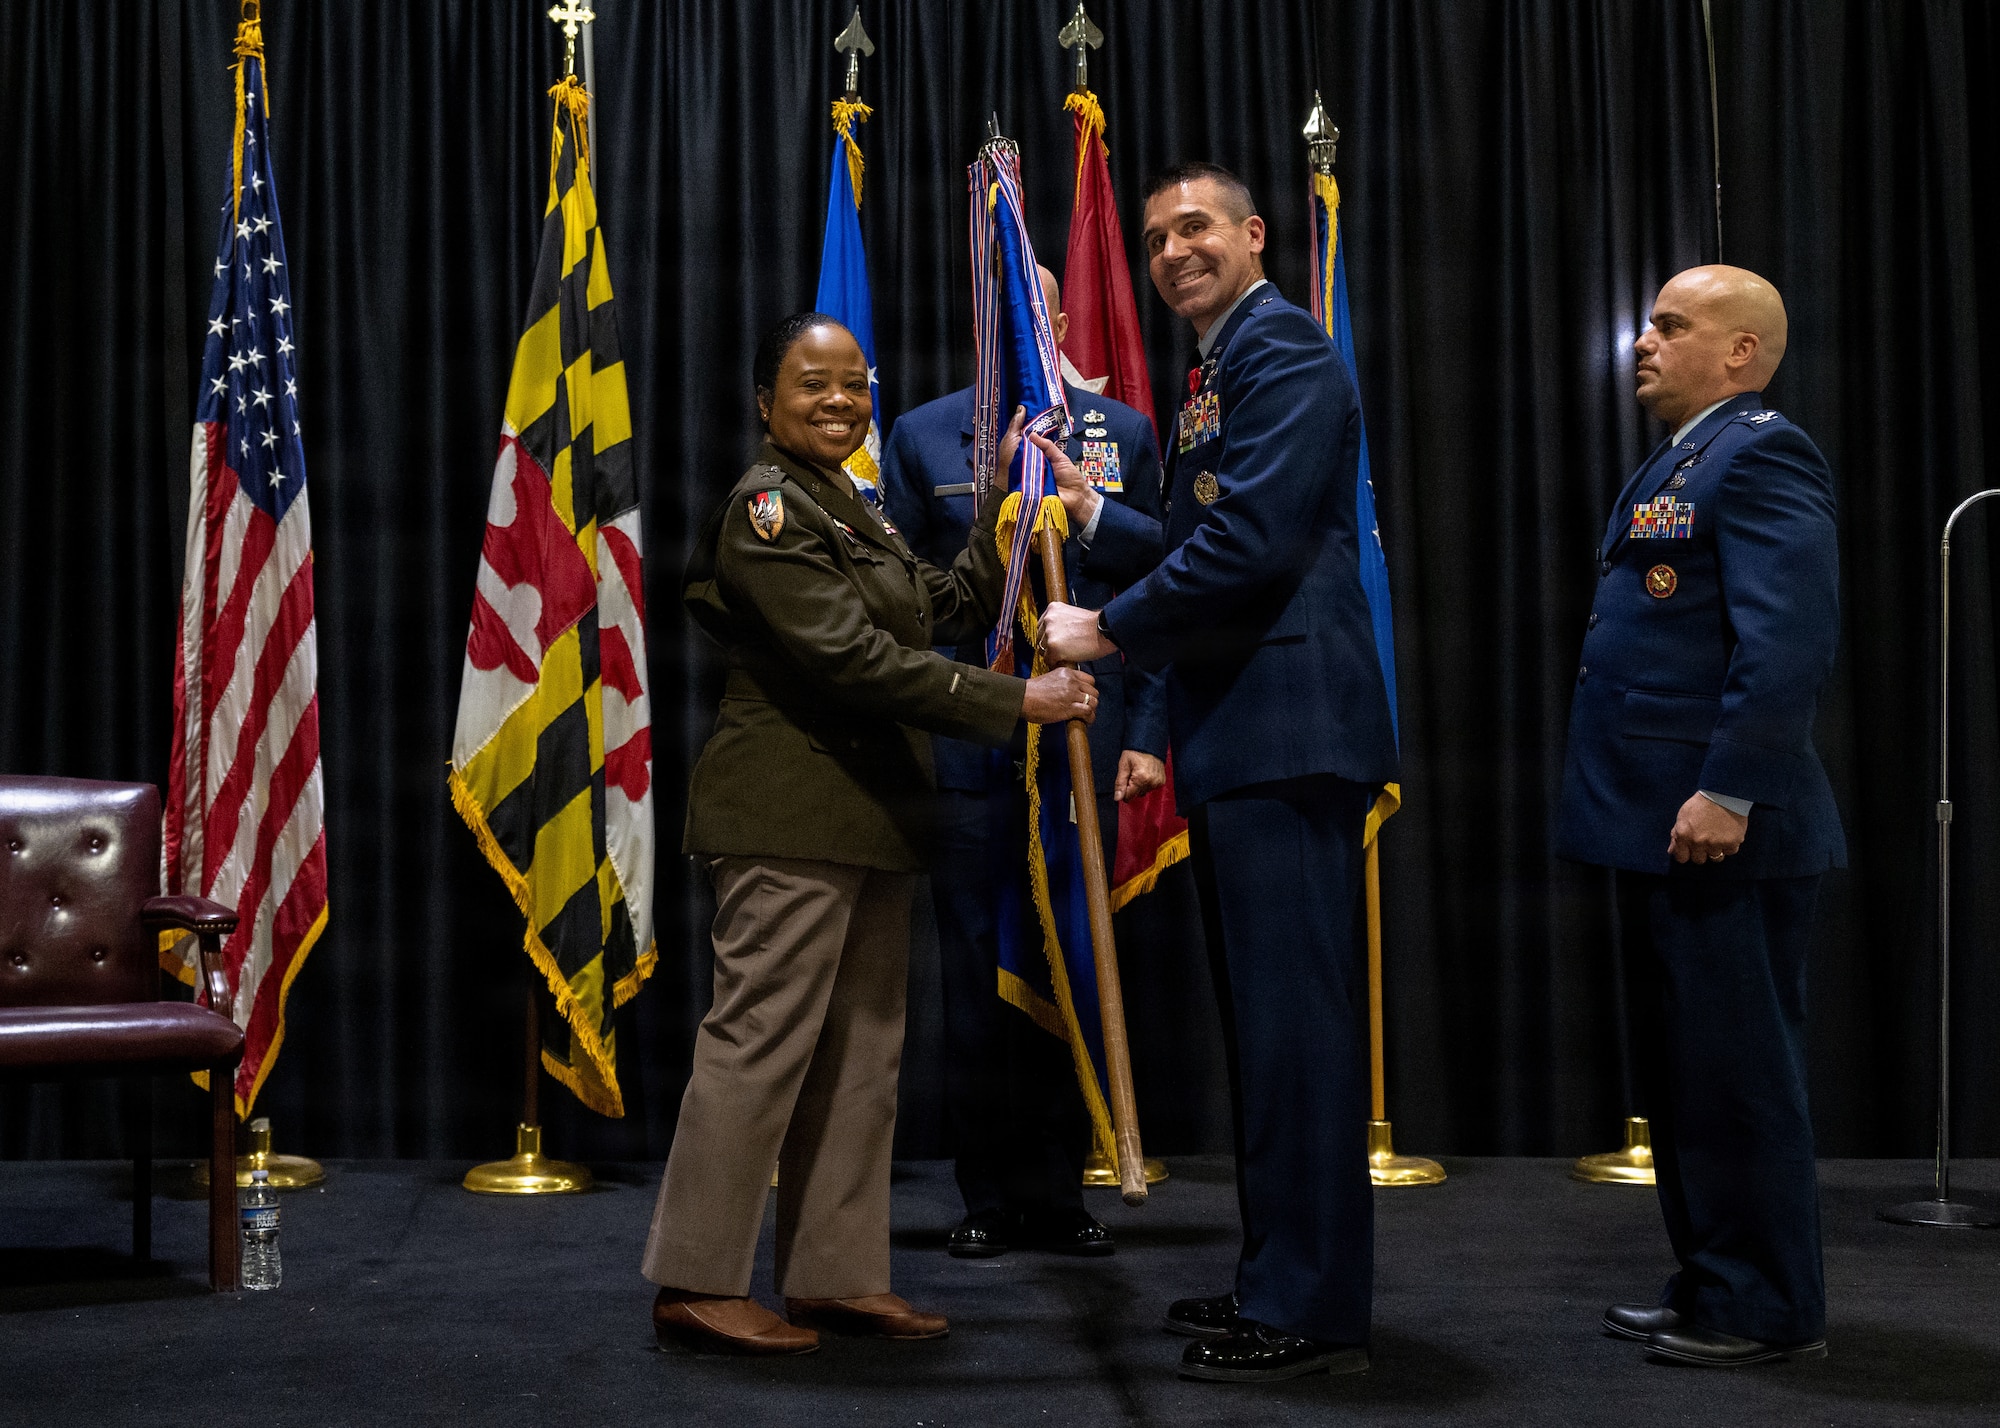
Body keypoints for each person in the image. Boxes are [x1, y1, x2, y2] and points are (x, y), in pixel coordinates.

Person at [642, 313, 1099, 1357]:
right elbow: (849, 658)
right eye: (813, 384)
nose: (840, 401)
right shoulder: (767, 510)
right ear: (766, 402)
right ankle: (695, 1282)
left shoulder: (849, 506)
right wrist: (1015, 702)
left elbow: (939, 605)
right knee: (757, 1048)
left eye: (854, 383)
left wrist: (1005, 505)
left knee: (860, 1058)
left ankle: (834, 1276)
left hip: (872, 818)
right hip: (789, 817)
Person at [1039, 162, 1398, 1382]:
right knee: (1266, 1032)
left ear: (1252, 235)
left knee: (1296, 1036)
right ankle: (1274, 1275)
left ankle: (1309, 1305)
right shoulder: (1219, 367)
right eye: (1152, 239)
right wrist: (1097, 519)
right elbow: (1208, 531)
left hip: (1287, 731)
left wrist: (1107, 626)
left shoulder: (1279, 352)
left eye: (1193, 228)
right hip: (1247, 733)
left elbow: (1248, 544)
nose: (1170, 252)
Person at [1554, 265, 1843, 1367]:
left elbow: (1787, 641)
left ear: (1740, 351)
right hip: (1656, 820)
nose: (1643, 341)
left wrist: (1728, 789)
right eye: (1646, 323)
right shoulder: (1688, 452)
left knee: (1737, 1078)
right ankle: (1713, 1280)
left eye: (1670, 326)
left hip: (1725, 826)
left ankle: (1767, 1308)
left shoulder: (1762, 451)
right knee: (1687, 1078)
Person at [878, 264, 1168, 1261]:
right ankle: (987, 1193)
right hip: (973, 748)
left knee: (1070, 964)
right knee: (973, 977)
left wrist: (1147, 733)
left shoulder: (1120, 433)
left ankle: (1059, 1191)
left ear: (1059, 317)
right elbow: (904, 602)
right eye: (1001, 303)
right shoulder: (922, 435)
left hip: (1082, 742)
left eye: (1034, 303)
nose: (1017, 318)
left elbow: (1161, 586)